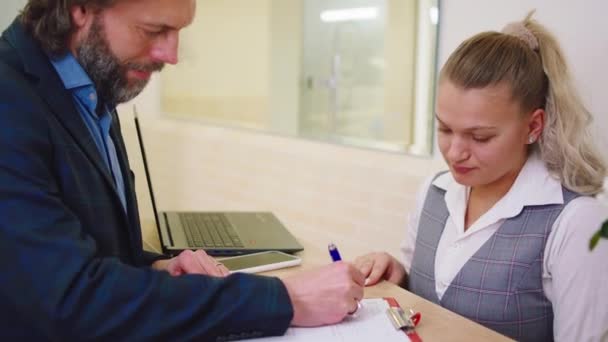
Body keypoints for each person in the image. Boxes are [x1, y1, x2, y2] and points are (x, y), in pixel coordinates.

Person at [0, 0, 365, 340]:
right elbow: (68, 300)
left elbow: (75, 245)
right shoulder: (9, 98)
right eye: (152, 30)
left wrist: (155, 269)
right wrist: (286, 300)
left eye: (178, 32)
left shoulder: (90, 90)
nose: (170, 55)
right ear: (80, 8)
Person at [355, 12, 608, 342]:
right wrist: (399, 275)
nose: (455, 152)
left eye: (480, 137)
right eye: (445, 129)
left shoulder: (576, 221)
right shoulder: (434, 191)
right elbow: (431, 297)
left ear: (533, 126)